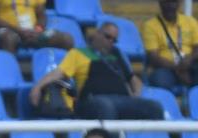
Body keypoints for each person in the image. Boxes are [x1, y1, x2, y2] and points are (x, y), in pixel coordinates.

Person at [31, 23, 164, 120]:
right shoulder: (78, 53)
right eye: (108, 37)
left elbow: (134, 79)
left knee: (155, 107)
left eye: (114, 40)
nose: (111, 42)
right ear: (97, 34)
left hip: (121, 99)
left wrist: (135, 95)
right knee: (106, 106)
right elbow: (58, 73)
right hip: (92, 100)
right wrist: (38, 87)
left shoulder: (116, 54)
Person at [142, 0, 198, 91]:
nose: (170, 6)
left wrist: (189, 59)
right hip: (166, 68)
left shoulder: (190, 22)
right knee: (160, 80)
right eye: (166, 2)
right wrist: (177, 69)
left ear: (179, 4)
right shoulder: (150, 25)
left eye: (173, 2)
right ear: (160, 3)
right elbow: (153, 57)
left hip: (189, 65)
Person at [0, 0, 73, 54]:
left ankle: (62, 76)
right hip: (8, 30)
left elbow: (42, 16)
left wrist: (38, 29)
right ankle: (7, 75)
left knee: (66, 39)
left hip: (33, 31)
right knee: (9, 38)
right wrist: (18, 30)